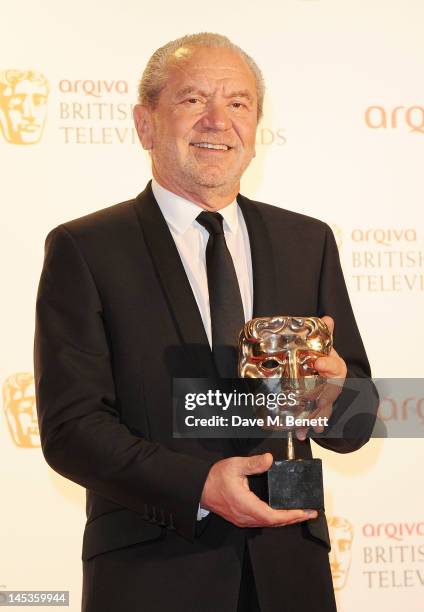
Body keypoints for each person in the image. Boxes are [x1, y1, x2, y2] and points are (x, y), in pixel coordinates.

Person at [34, 33, 377, 612]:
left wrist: (332, 398)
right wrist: (197, 487)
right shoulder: (86, 248)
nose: (218, 121)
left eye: (238, 103)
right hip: (153, 573)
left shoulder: (307, 241)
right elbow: (72, 428)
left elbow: (356, 417)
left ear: (256, 127)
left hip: (290, 570)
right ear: (145, 124)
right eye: (193, 100)